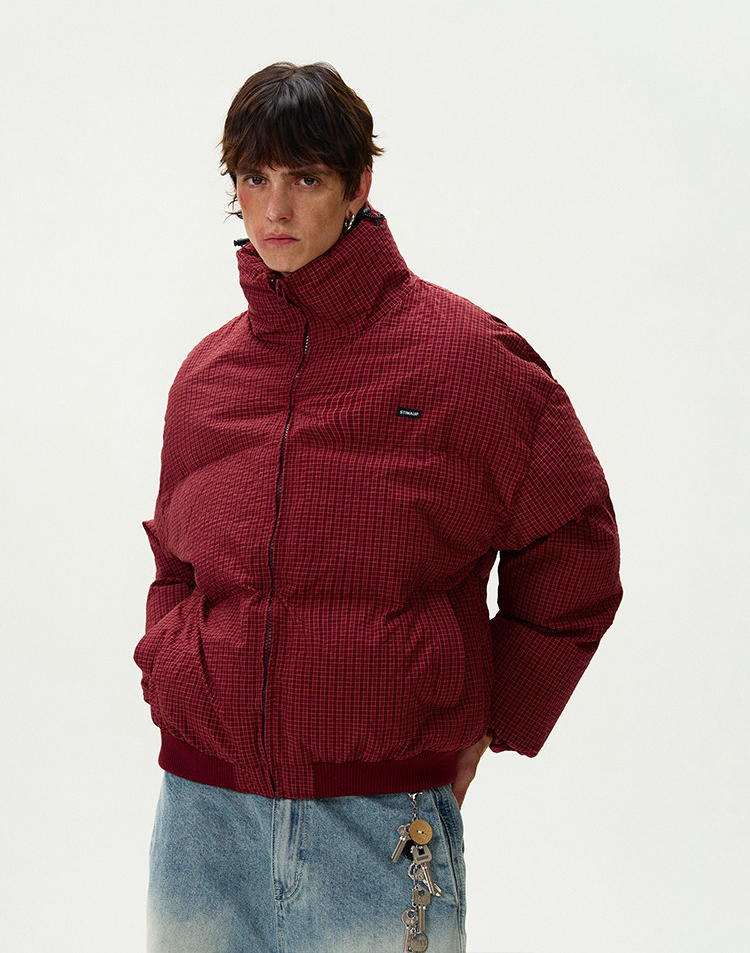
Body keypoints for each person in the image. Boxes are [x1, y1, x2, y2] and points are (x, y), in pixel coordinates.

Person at [135, 61, 622, 953]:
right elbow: (176, 563)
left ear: (358, 185)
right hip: (202, 822)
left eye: (305, 179)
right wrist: (176, 670)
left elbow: (576, 545)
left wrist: (496, 718)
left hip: (379, 825)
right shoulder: (207, 378)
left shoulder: (468, 361)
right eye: (254, 179)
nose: (274, 209)